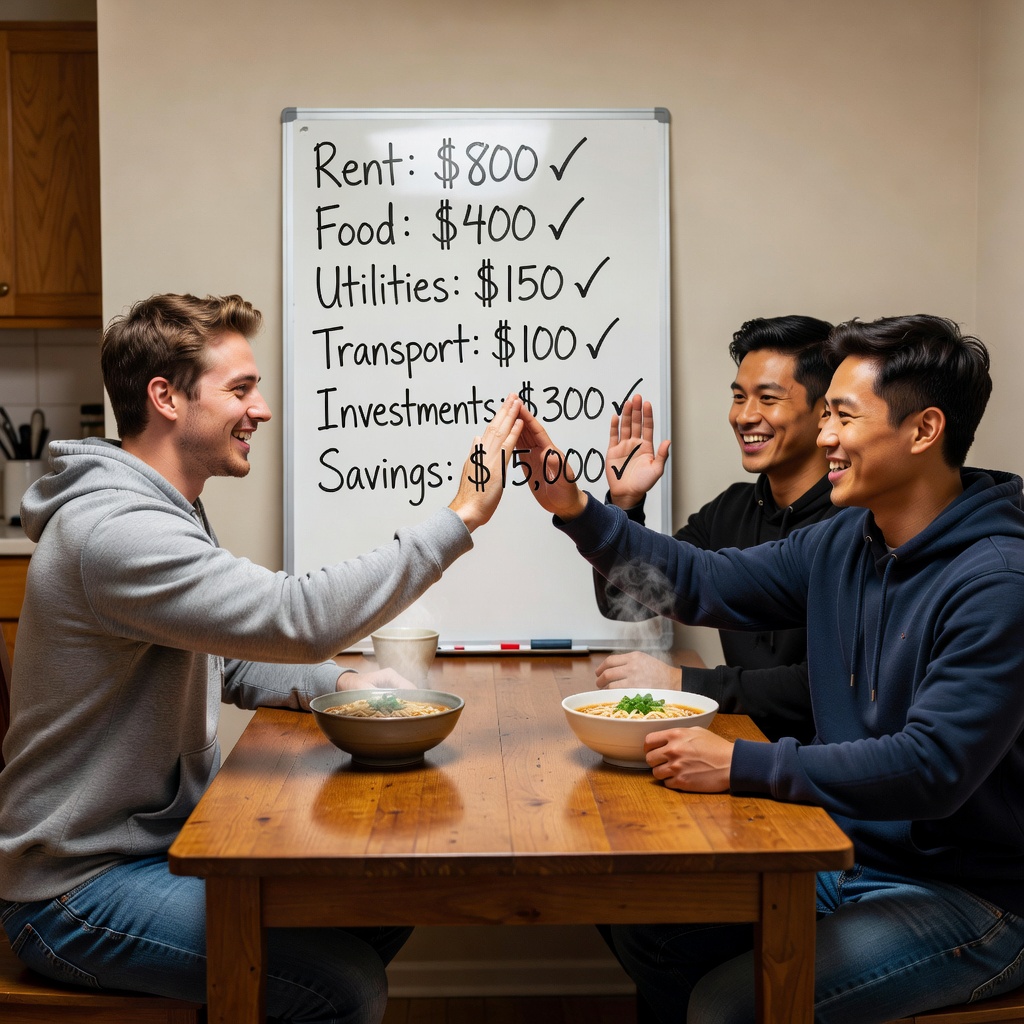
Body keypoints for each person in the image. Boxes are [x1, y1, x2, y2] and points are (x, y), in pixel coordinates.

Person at [0, 293, 523, 1024]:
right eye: (241, 389)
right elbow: (294, 617)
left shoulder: (159, 509)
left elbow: (230, 656)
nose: (263, 408)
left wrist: (337, 680)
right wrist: (460, 515)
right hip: (75, 891)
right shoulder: (115, 533)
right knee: (339, 986)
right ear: (166, 398)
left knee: (378, 901)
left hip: (160, 849)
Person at [517, 314, 1024, 1023]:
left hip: (970, 897)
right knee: (654, 925)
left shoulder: (997, 579)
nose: (825, 437)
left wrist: (740, 764)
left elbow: (932, 767)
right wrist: (577, 509)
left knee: (728, 1007)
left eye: (843, 417)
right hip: (841, 851)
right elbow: (697, 583)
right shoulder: (847, 538)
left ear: (923, 430)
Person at [594, 315, 839, 743]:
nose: (745, 416)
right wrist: (624, 505)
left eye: (768, 398)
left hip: (816, 772)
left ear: (825, 413)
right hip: (728, 741)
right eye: (739, 396)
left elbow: (826, 689)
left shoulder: (856, 525)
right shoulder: (730, 510)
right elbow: (623, 602)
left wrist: (681, 682)